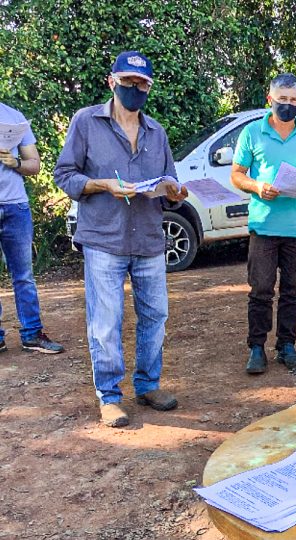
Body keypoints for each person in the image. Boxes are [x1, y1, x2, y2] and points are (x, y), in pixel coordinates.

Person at [54, 51, 188, 427]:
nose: (135, 88)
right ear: (112, 81)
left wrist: (175, 192)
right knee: (105, 321)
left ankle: (147, 385)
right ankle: (110, 397)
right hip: (103, 239)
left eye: (142, 83)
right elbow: (64, 174)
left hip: (148, 238)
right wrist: (100, 185)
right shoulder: (86, 122)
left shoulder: (156, 131)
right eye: (128, 81)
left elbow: (169, 180)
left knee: (155, 316)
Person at [230, 74, 296, 375]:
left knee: (293, 291)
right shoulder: (251, 133)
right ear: (269, 100)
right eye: (282, 100)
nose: (288, 105)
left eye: (294, 100)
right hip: (264, 225)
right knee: (260, 289)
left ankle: (286, 346)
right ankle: (256, 347)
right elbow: (236, 174)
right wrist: (258, 186)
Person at [0, 104, 64, 355]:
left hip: (16, 207)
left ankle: (32, 334)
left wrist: (13, 161)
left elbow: (34, 165)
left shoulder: (14, 118)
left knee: (24, 276)